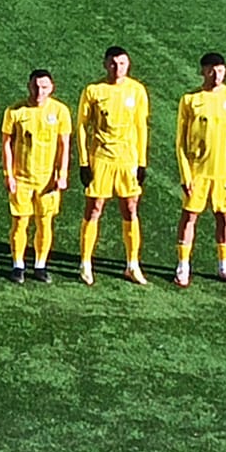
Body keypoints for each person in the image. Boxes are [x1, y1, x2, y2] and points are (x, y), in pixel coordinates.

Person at [77, 45, 150, 286]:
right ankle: (86, 263)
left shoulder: (137, 91)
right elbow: (81, 126)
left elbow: (141, 127)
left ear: (128, 64)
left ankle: (132, 264)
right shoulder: (94, 90)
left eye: (122, 63)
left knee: (130, 208)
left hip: (127, 159)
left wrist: (142, 162)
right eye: (113, 63)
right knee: (95, 207)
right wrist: (83, 162)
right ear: (105, 64)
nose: (118, 68)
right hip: (101, 158)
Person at [174, 52, 226, 288]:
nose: (217, 75)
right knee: (190, 216)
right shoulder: (190, 100)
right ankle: (183, 265)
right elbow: (180, 142)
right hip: (198, 172)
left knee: (224, 217)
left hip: (224, 171)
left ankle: (225, 265)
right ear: (203, 71)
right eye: (211, 70)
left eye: (221, 70)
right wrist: (185, 174)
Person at [0, 68, 71, 283]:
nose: (39, 92)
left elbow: (64, 145)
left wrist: (62, 173)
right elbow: (6, 144)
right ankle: (18, 264)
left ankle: (40, 265)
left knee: (44, 222)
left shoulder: (60, 111)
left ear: (52, 88)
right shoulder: (15, 111)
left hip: (47, 180)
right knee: (20, 222)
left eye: (44, 87)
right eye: (35, 87)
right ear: (28, 86)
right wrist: (8, 174)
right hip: (22, 178)